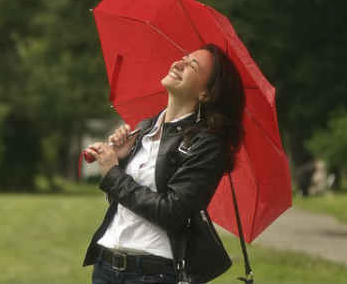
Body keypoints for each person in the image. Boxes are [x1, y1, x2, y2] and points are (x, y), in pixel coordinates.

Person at [83, 44, 245, 284]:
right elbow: (124, 204)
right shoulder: (145, 129)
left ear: (206, 94)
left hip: (152, 273)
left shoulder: (207, 145)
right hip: (106, 266)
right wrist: (121, 158)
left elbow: (172, 212)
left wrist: (113, 174)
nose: (179, 63)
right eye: (184, 57)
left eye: (192, 66)